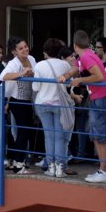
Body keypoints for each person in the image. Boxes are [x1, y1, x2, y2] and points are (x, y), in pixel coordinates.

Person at [58, 30, 106, 184]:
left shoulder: (87, 56)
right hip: (98, 98)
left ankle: (104, 171)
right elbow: (74, 69)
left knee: (100, 136)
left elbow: (99, 76)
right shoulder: (85, 55)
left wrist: (80, 80)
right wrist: (66, 76)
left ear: (75, 46)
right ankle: (103, 170)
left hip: (101, 99)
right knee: (96, 135)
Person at [32, 38, 72, 178]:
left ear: (45, 51)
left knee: (48, 136)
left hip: (42, 102)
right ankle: (60, 167)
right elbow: (67, 85)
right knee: (60, 137)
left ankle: (50, 166)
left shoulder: (39, 66)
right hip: (60, 103)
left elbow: (35, 87)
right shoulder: (65, 65)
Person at [0, 37, 37, 174]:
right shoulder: (14, 63)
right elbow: (3, 76)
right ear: (15, 51)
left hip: (28, 99)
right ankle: (18, 163)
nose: (25, 49)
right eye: (21, 48)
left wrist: (32, 72)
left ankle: (17, 161)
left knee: (26, 130)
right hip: (17, 100)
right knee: (23, 130)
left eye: (26, 46)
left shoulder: (32, 59)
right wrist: (21, 73)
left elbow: (36, 72)